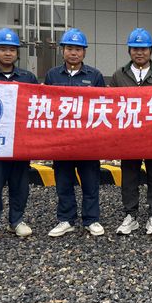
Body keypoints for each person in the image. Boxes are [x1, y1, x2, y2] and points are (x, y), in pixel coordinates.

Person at [109, 28, 152, 237]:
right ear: (129, 51)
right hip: (129, 137)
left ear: (150, 50)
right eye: (135, 49)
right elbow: (110, 105)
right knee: (129, 176)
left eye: (143, 49)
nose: (139, 53)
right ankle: (131, 215)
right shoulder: (119, 75)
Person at [44, 28, 106, 237]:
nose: (73, 53)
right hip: (61, 141)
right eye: (69, 48)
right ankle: (66, 219)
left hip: (88, 141)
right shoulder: (52, 75)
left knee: (90, 182)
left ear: (84, 52)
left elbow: (103, 106)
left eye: (78, 49)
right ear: (62, 50)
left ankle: (91, 219)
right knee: (63, 182)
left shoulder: (95, 76)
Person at [0, 28, 39, 243]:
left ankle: (17, 220)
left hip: (20, 143)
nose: (7, 53)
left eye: (12, 50)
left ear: (17, 53)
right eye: (3, 49)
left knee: (20, 185)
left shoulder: (28, 78)